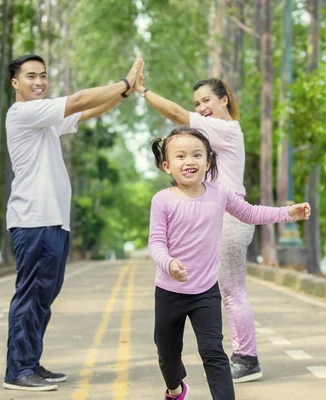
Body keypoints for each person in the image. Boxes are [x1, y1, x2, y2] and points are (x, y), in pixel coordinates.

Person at [2, 53, 143, 392]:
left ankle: (31, 363)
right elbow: (78, 99)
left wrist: (124, 94)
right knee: (30, 295)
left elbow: (87, 110)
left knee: (43, 297)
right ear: (15, 83)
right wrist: (124, 82)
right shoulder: (23, 112)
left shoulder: (44, 119)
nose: (39, 82)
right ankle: (17, 370)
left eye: (44, 76)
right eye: (31, 76)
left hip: (53, 221)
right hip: (33, 220)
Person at [148, 126, 311, 400]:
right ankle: (175, 389)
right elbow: (156, 242)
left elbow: (249, 213)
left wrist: (288, 213)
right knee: (167, 352)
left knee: (213, 351)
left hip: (205, 291)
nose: (190, 161)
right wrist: (169, 263)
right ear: (167, 165)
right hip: (169, 291)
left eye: (197, 155)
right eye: (181, 156)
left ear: (209, 162)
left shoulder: (219, 193)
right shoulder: (162, 200)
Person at [136, 71, 267, 382]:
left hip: (230, 215)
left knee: (232, 290)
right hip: (219, 215)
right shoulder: (218, 133)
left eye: (207, 100)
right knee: (228, 289)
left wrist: (143, 91)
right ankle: (243, 356)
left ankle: (247, 358)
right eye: (197, 102)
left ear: (224, 100)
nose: (201, 107)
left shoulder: (226, 128)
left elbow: (177, 115)